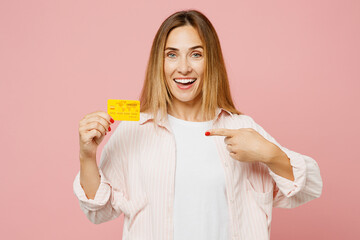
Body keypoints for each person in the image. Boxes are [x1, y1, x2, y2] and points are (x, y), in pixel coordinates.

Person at [73, 9, 323, 240]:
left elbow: (307, 188)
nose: (183, 68)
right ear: (159, 64)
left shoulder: (241, 127)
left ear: (210, 61)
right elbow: (99, 211)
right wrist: (87, 155)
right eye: (172, 55)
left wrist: (269, 153)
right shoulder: (133, 131)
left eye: (196, 54)